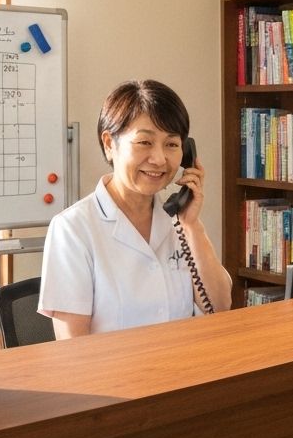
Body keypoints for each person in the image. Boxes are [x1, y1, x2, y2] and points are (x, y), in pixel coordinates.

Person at [38, 79, 232, 338]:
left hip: (184, 372)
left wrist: (192, 225)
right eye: (145, 142)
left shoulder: (180, 223)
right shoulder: (72, 229)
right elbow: (73, 352)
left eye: (172, 144)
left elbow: (220, 307)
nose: (160, 159)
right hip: (112, 377)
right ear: (109, 144)